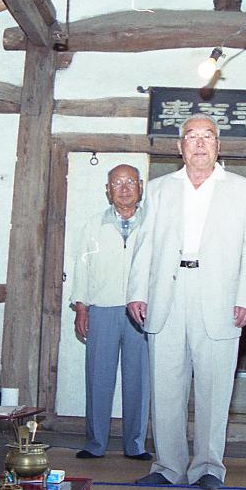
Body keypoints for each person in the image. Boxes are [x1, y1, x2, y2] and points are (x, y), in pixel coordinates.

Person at [126, 114, 246, 490]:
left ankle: (207, 467)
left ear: (219, 145)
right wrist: (137, 292)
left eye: (208, 136)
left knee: (214, 387)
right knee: (166, 385)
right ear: (180, 146)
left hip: (220, 298)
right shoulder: (158, 189)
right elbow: (145, 246)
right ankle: (167, 467)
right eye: (192, 136)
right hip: (166, 295)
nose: (200, 142)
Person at [70, 164, 152, 461]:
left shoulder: (154, 223)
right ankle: (95, 443)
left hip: (141, 310)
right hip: (102, 308)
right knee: (98, 377)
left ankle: (136, 444)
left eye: (131, 181)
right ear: (108, 190)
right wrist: (81, 307)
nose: (125, 187)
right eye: (117, 183)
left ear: (141, 187)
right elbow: (82, 268)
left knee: (139, 379)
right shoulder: (94, 225)